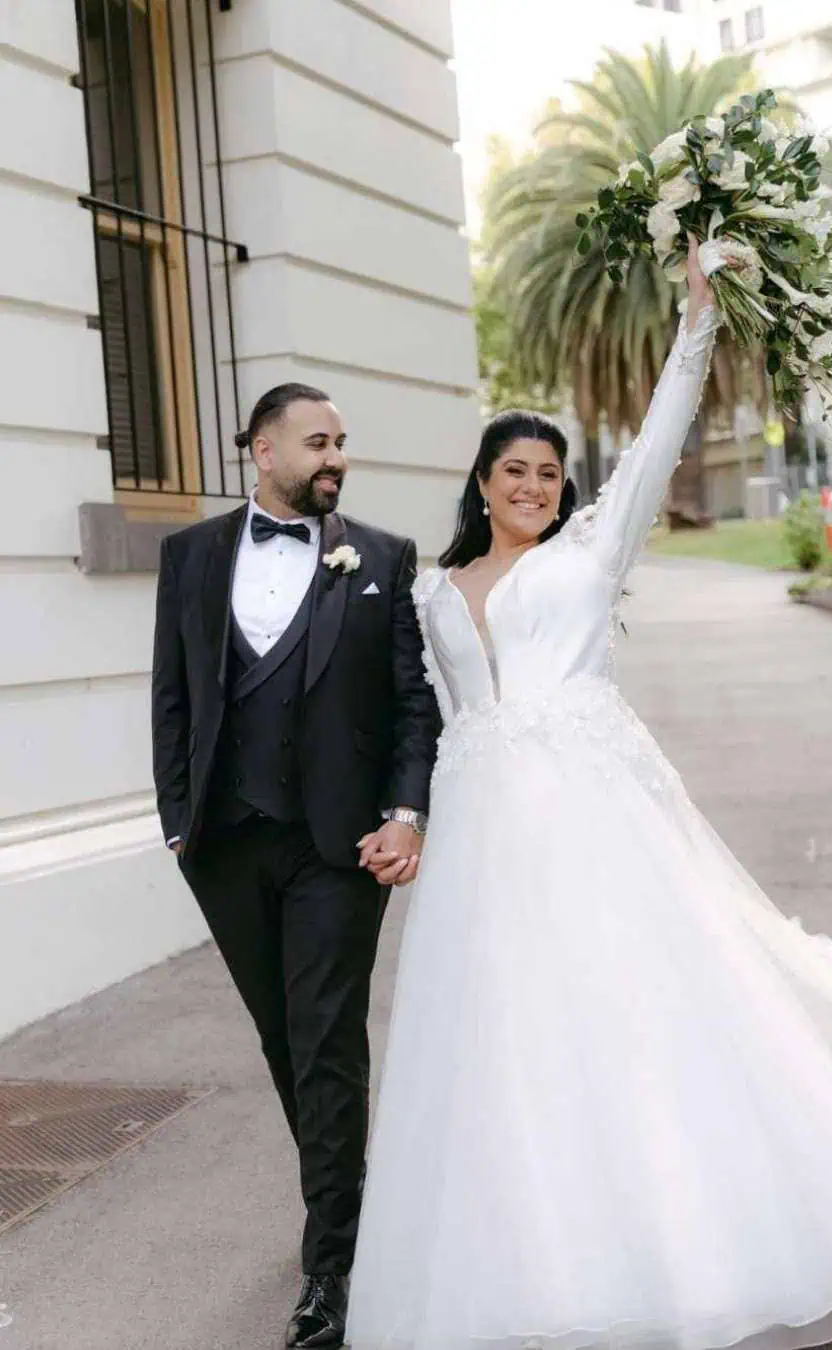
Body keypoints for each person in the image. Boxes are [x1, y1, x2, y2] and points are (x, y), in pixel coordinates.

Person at [343, 239, 832, 1350]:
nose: (533, 487)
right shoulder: (436, 590)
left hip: (592, 822)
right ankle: (529, 1248)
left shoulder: (592, 551)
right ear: (480, 483)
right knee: (498, 1032)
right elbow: (431, 719)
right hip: (484, 832)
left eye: (548, 472)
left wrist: (697, 321)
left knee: (631, 1007)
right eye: (514, 471)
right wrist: (408, 819)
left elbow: (659, 438)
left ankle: (678, 1236)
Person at [151, 384, 440, 1349]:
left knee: (325, 1040)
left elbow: (411, 704)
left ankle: (332, 1268)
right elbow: (174, 697)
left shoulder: (382, 559)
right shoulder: (188, 556)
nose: (336, 458)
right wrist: (177, 827)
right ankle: (343, 1199)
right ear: (261, 449)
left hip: (337, 847)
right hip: (226, 845)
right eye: (318, 443)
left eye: (342, 444)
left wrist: (404, 813)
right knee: (282, 1037)